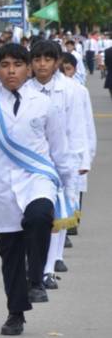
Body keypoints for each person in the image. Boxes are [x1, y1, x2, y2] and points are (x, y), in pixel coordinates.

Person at [0, 43, 77, 336]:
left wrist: (70, 186)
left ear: (28, 69)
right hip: (2, 185)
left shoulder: (44, 103)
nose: (11, 71)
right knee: (11, 253)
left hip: (37, 178)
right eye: (5, 65)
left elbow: (60, 147)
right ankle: (15, 313)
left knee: (39, 217)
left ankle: (36, 278)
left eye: (17, 65)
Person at [28, 41, 86, 289]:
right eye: (37, 59)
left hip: (61, 162)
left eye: (48, 59)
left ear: (57, 62)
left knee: (56, 216)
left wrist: (81, 160)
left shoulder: (70, 90)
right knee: (33, 218)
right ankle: (34, 263)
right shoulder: (23, 89)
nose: (42, 64)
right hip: (31, 163)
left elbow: (77, 127)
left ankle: (48, 269)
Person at [58, 52, 96, 236]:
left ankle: (72, 220)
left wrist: (89, 154)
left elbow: (87, 124)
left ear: (74, 70)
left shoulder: (80, 91)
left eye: (68, 69)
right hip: (57, 149)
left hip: (76, 147)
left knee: (75, 185)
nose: (65, 73)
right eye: (61, 69)